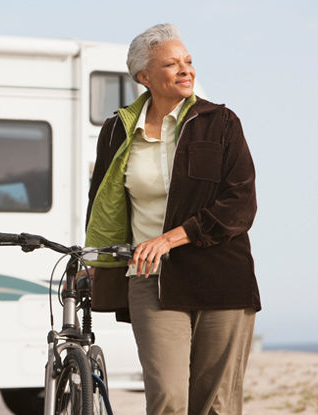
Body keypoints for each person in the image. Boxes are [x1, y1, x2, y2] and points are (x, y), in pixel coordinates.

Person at [85, 24, 261, 415]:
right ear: (143, 77)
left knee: (216, 405)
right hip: (150, 280)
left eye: (189, 61)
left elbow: (240, 204)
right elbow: (102, 202)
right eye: (171, 64)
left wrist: (170, 239)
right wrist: (96, 262)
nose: (186, 70)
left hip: (222, 279)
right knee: (167, 399)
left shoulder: (222, 123)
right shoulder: (117, 130)